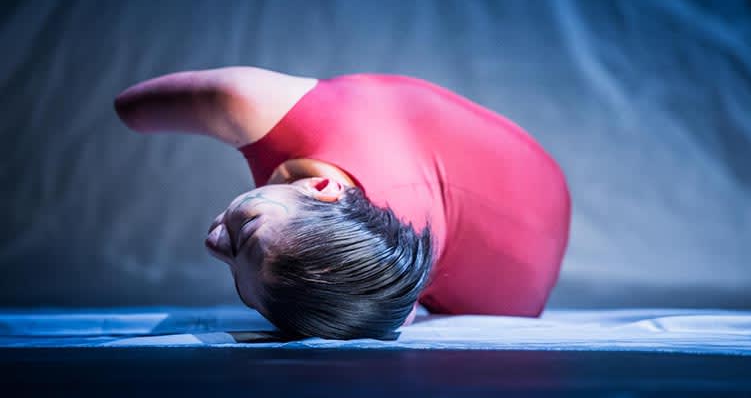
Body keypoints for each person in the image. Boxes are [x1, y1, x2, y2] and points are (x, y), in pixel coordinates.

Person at [114, 67, 571, 340]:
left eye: (238, 284)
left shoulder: (377, 261)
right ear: (320, 188)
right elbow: (130, 108)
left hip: (518, 256)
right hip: (513, 258)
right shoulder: (260, 106)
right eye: (245, 235)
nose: (214, 245)